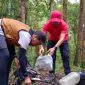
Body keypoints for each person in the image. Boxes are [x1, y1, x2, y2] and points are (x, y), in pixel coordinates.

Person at [0, 18, 46, 85]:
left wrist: (15, 56)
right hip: (1, 28)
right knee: (5, 55)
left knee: (9, 57)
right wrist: (26, 77)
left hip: (5, 34)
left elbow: (11, 41)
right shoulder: (26, 36)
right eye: (37, 43)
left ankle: (4, 82)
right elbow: (21, 56)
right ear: (35, 37)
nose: (36, 45)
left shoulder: (29, 34)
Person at [41, 10, 71, 80]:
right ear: (51, 19)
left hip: (63, 40)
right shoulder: (47, 24)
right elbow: (42, 36)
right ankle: (51, 73)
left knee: (65, 55)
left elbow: (62, 38)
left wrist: (54, 47)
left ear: (60, 20)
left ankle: (68, 74)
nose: (55, 23)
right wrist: (41, 46)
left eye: (56, 21)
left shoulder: (64, 25)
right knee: (51, 56)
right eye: (54, 21)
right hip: (52, 40)